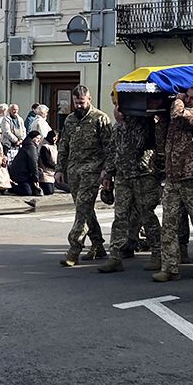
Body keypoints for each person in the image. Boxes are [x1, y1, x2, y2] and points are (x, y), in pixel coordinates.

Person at [154, 85, 193, 282]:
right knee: (169, 225)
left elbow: (179, 115)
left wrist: (178, 99)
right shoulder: (175, 117)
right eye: (187, 97)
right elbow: (163, 132)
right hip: (174, 178)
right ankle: (170, 267)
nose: (189, 101)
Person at [98, 108, 162, 273]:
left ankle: (158, 253)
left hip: (143, 175)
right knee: (120, 217)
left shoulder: (143, 124)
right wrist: (108, 173)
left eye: (120, 108)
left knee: (146, 214)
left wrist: (129, 122)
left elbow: (139, 144)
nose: (117, 111)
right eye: (116, 108)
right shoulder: (117, 128)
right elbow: (112, 152)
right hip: (123, 176)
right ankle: (115, 256)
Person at [58, 85, 112, 267]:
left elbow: (109, 148)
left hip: (93, 171)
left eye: (81, 102)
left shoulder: (100, 118)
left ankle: (74, 249)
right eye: (76, 103)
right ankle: (98, 245)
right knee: (85, 209)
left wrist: (107, 171)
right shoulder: (70, 120)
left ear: (89, 99)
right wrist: (59, 168)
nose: (78, 106)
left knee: (82, 209)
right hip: (74, 170)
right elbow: (63, 145)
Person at [9, 130, 43, 197]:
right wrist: (36, 179)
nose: (39, 140)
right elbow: (33, 164)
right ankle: (11, 187)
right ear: (32, 138)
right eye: (37, 138)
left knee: (40, 173)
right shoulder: (31, 147)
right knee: (27, 192)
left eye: (39, 139)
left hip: (25, 173)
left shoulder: (28, 145)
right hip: (21, 174)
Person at [39, 130, 59, 195]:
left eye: (57, 137)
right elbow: (46, 161)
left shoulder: (55, 146)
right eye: (54, 137)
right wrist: (56, 166)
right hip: (46, 172)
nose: (56, 139)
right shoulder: (44, 147)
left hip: (54, 172)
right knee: (49, 191)